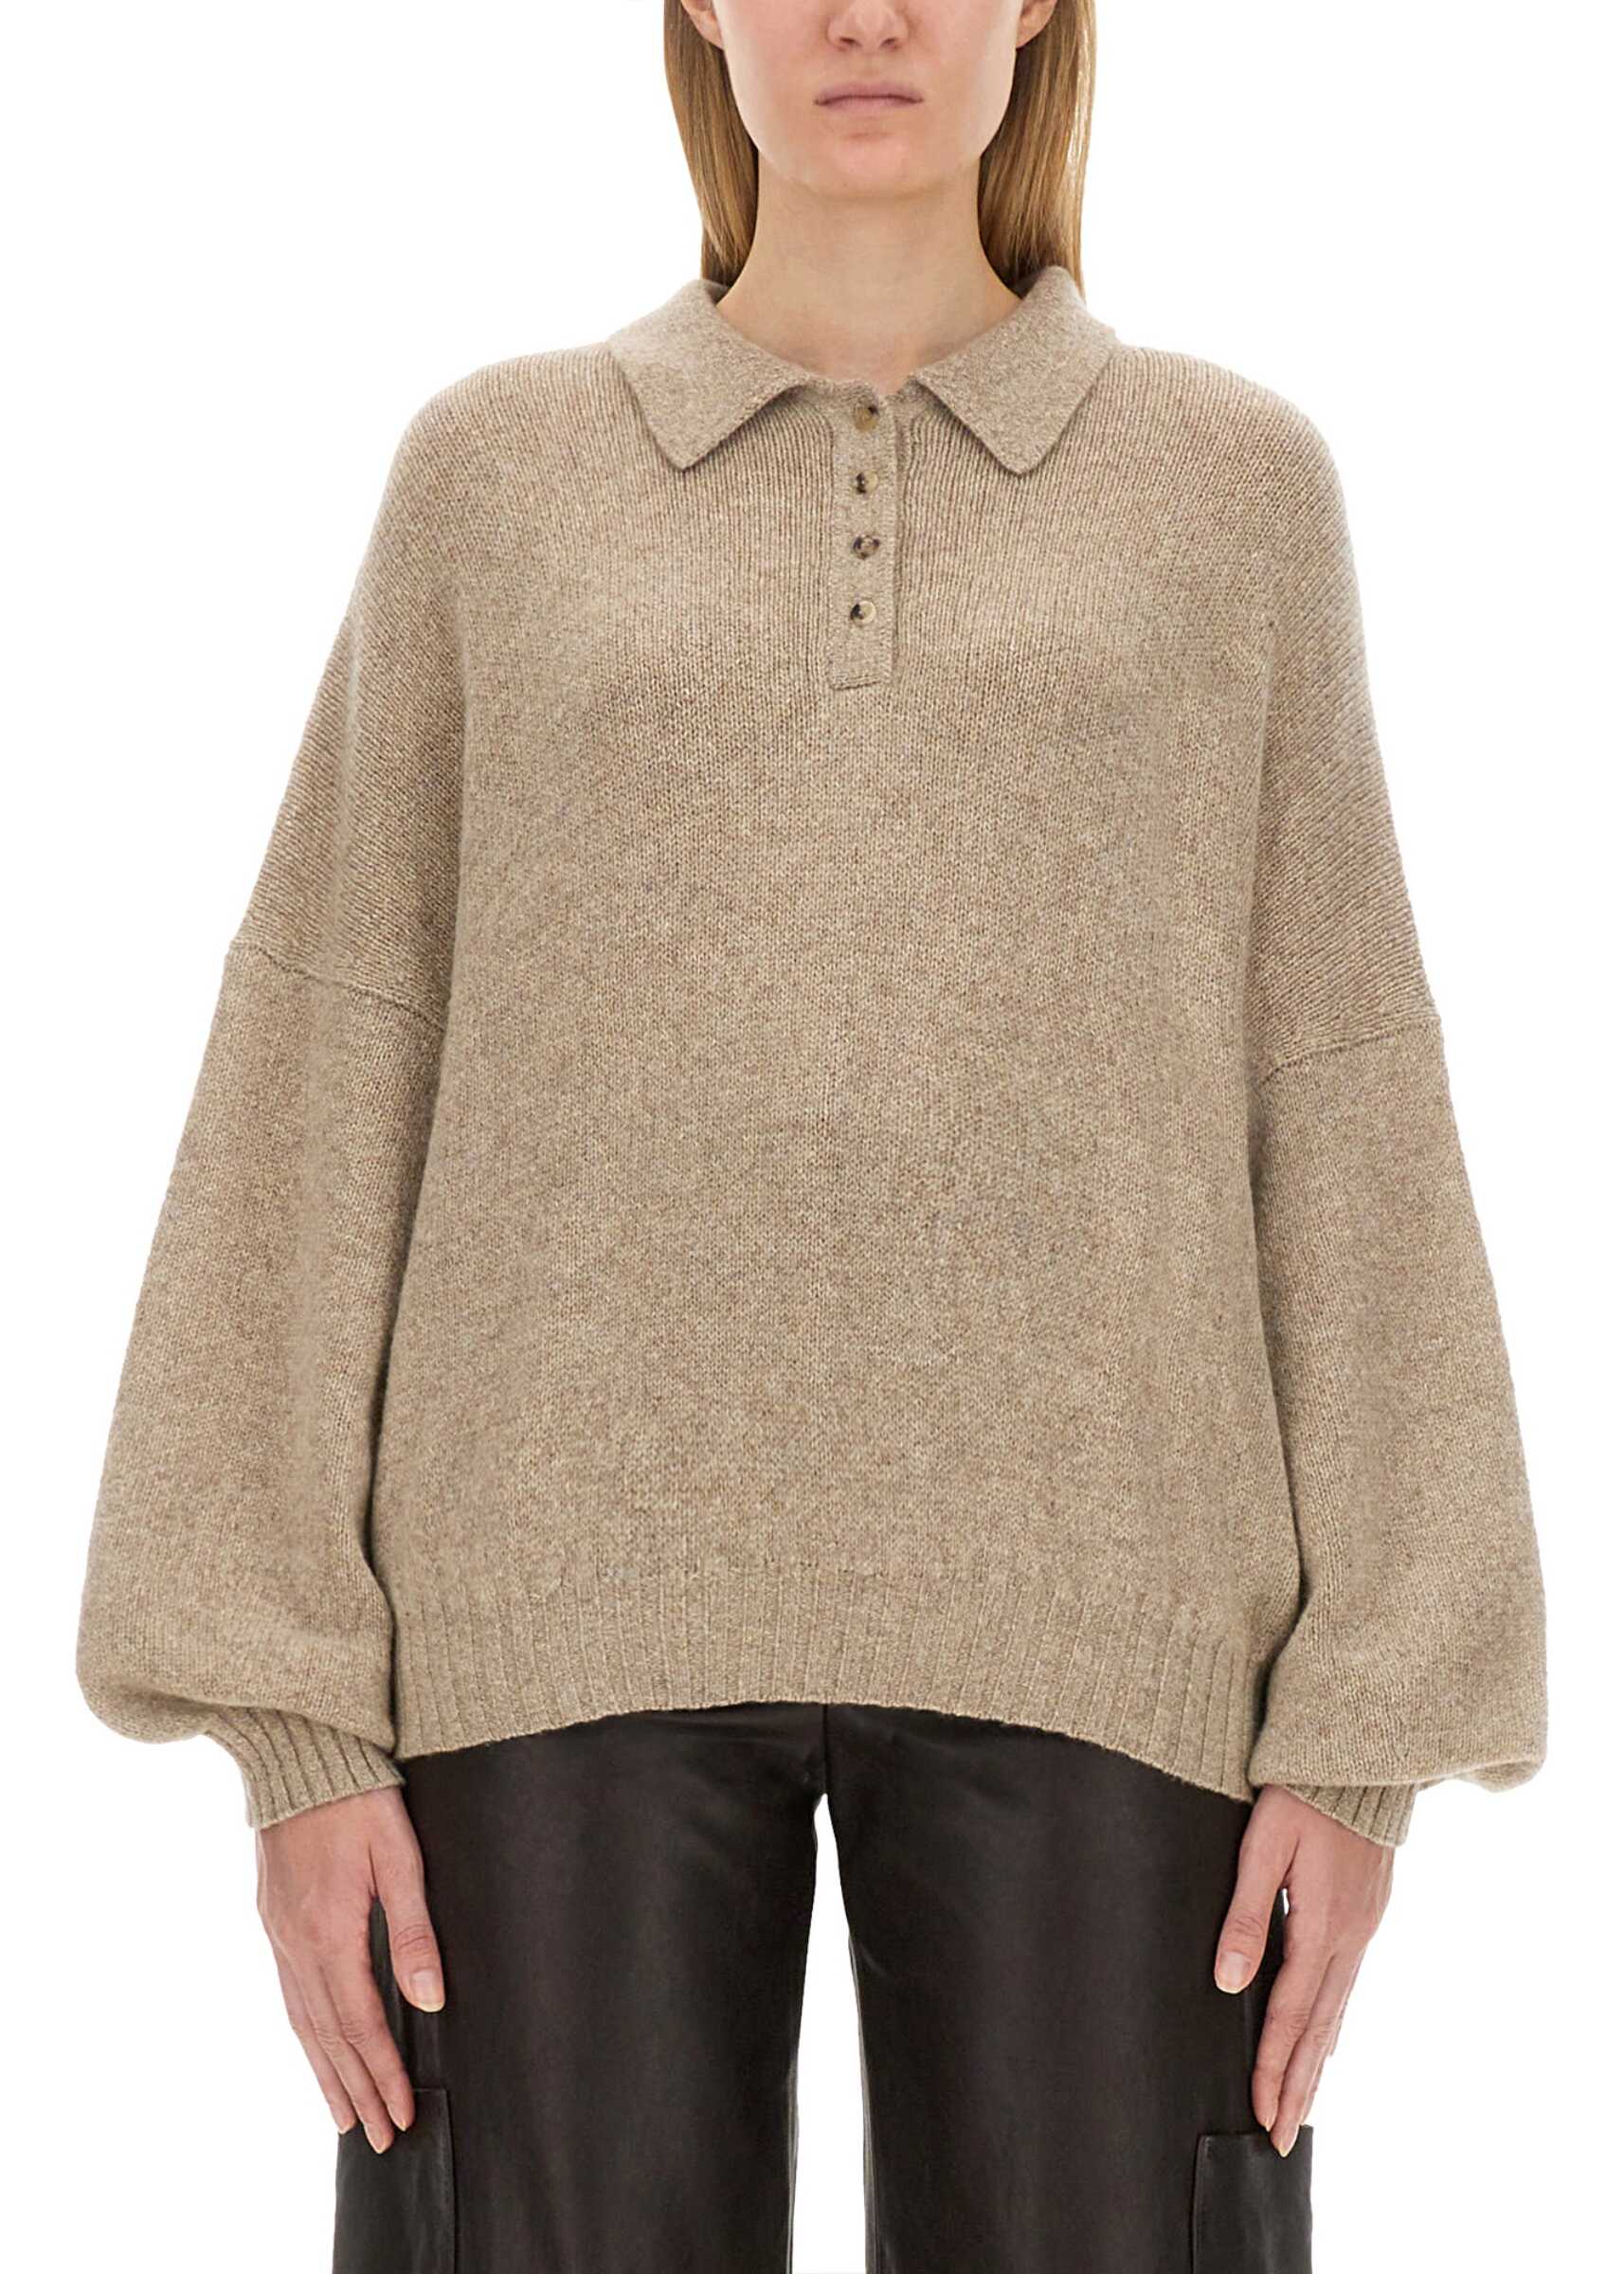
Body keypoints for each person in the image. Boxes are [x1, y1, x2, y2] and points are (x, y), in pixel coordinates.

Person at [74, 3, 1548, 2268]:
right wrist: (291, 1720)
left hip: (1113, 1609)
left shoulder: (1230, 491)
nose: (867, 13)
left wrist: (1367, 1723)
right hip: (544, 1618)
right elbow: (327, 1049)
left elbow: (1336, 1076)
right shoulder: (495, 475)